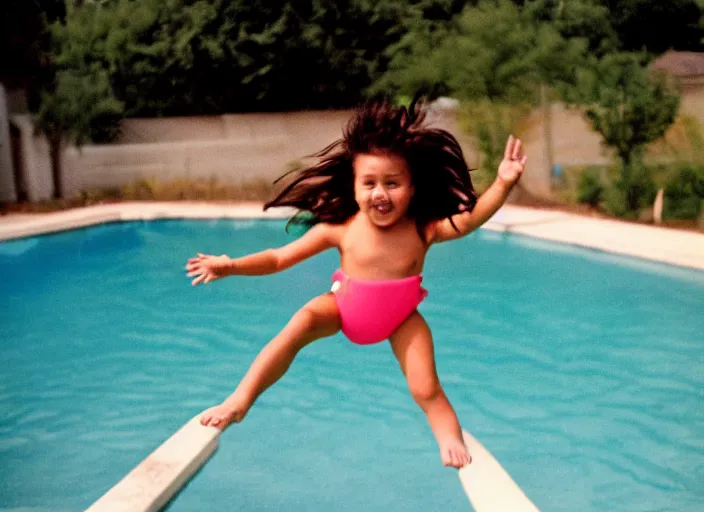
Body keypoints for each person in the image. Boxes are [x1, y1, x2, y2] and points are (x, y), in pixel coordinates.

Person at [186, 98, 526, 469]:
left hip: (401, 320)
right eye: (370, 183)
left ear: (412, 188)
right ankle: (238, 402)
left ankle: (448, 437)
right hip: (343, 309)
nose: (380, 193)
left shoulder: (422, 229)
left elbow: (472, 218)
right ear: (354, 186)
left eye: (392, 183)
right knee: (300, 323)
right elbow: (278, 258)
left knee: (426, 387)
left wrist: (503, 182)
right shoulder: (340, 229)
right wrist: (230, 265)